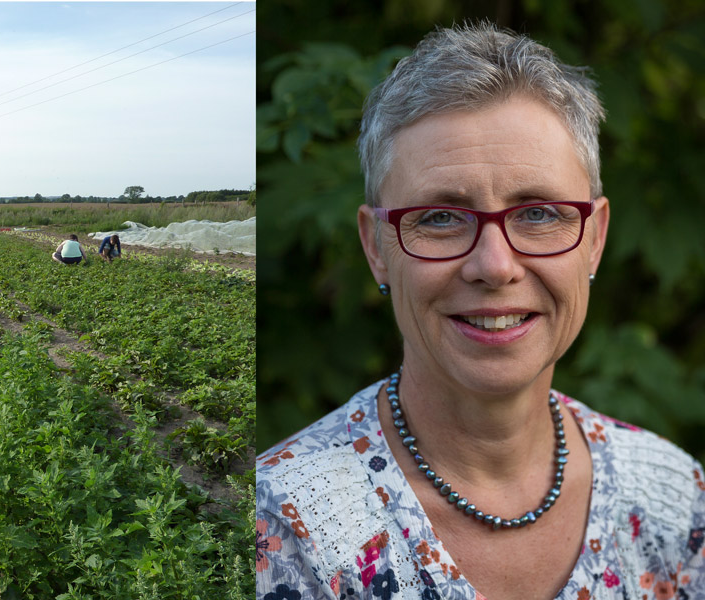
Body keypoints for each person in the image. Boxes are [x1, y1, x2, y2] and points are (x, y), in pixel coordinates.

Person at [256, 23, 705, 600]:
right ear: (376, 248)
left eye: (539, 214)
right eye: (440, 218)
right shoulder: (281, 525)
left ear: (594, 238)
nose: (495, 266)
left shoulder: (674, 500)